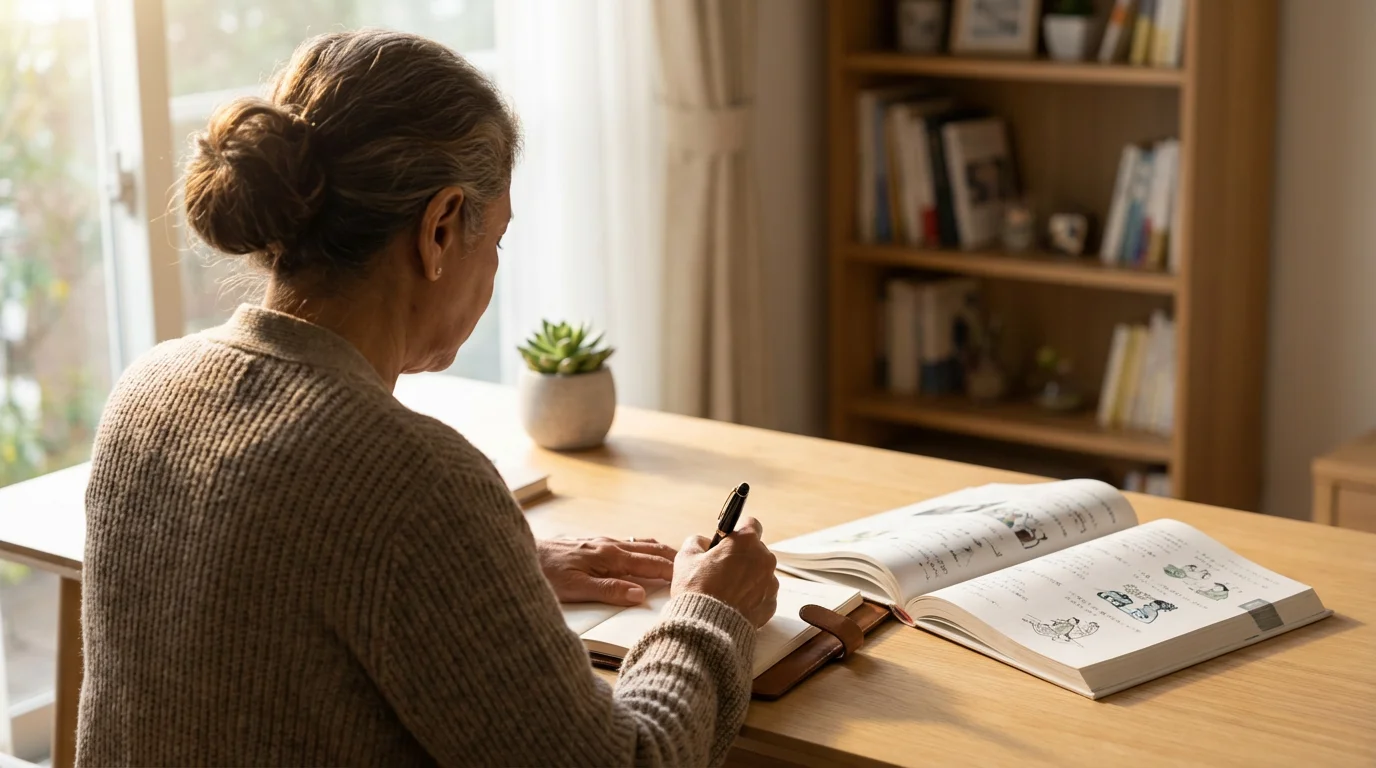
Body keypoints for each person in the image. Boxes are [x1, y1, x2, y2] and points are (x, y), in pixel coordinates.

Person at [77, 29, 779, 767]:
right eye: (498, 236)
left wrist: (489, 576)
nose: (496, 265)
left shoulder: (144, 395)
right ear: (440, 229)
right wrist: (710, 611)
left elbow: (275, 588)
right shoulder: (415, 483)